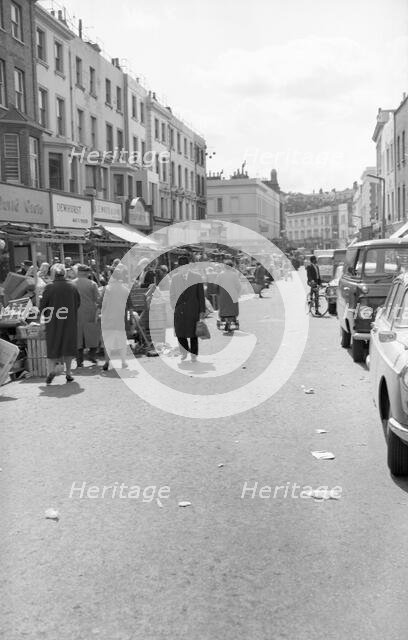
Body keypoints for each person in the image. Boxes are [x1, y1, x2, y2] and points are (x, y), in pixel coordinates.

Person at [39, 264, 80, 384]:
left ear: (53, 274)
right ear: (64, 273)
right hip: (69, 321)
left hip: (53, 321)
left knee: (53, 345)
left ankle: (51, 371)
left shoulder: (49, 287)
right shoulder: (72, 286)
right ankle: (68, 373)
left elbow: (43, 306)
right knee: (68, 346)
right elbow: (78, 303)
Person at [169, 256, 206, 362]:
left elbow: (201, 296)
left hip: (193, 310)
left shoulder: (197, 277)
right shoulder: (175, 278)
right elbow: (172, 294)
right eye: (181, 266)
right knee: (180, 333)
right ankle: (184, 352)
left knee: (194, 334)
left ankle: (193, 354)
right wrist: (174, 306)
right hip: (179, 311)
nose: (183, 268)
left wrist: (202, 311)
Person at [100, 268, 130, 370]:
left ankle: (107, 362)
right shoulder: (125, 289)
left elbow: (101, 304)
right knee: (122, 340)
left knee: (107, 341)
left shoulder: (106, 289)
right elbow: (130, 306)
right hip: (121, 319)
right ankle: (123, 361)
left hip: (108, 319)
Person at [73, 264, 100, 366]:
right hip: (90, 312)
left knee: (78, 336)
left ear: (78, 273)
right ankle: (91, 354)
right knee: (92, 333)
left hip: (76, 312)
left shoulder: (72, 283)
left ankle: (79, 360)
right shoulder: (92, 284)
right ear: (86, 273)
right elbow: (97, 299)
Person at [217, 260, 241, 329]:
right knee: (232, 309)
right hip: (232, 295)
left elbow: (216, 285)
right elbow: (238, 286)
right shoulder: (234, 275)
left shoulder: (220, 274)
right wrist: (238, 293)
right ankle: (230, 321)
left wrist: (217, 292)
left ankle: (226, 320)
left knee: (223, 309)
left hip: (223, 295)